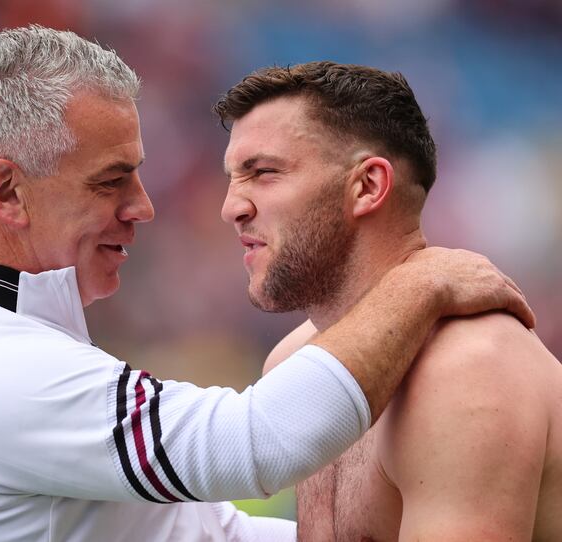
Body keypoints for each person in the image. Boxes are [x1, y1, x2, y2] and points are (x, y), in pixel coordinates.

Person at [0, 27, 534, 541]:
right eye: (110, 180)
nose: (143, 206)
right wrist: (422, 282)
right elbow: (254, 443)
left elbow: (208, 536)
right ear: (6, 191)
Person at [216, 61, 562, 541]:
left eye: (264, 172)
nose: (232, 207)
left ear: (368, 186)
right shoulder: (293, 362)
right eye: (234, 177)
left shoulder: (468, 369)